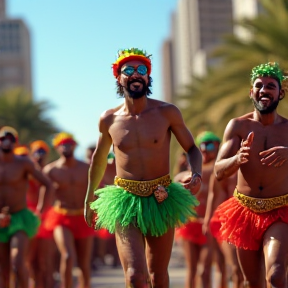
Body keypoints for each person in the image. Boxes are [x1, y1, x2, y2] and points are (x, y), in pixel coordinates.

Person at [84, 47, 202, 288]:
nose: (136, 74)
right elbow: (98, 159)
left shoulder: (167, 112)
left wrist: (196, 173)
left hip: (161, 197)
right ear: (119, 77)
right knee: (135, 276)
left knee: (158, 276)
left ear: (148, 77)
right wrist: (88, 200)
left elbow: (192, 148)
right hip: (124, 200)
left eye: (142, 70)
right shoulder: (109, 119)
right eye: (129, 69)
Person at [214, 62, 288, 288]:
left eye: (270, 86)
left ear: (281, 93)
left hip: (280, 212)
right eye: (259, 85)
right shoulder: (238, 126)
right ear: (251, 92)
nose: (264, 90)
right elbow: (218, 171)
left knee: (275, 275)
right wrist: (237, 158)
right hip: (244, 211)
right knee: (251, 282)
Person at [0, 126, 53, 288]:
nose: (6, 142)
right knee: (3, 270)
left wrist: (40, 209)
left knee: (17, 262)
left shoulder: (24, 163)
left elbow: (47, 184)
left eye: (10, 139)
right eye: (3, 139)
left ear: (15, 143)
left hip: (20, 218)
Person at [43, 132, 95, 288]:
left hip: (82, 216)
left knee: (84, 263)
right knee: (67, 256)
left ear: (75, 146)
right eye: (63, 144)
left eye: (69, 144)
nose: (66, 147)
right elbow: (40, 190)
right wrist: (40, 210)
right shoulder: (51, 170)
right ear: (57, 148)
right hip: (61, 217)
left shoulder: (86, 168)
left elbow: (99, 188)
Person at [175, 131, 225, 288]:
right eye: (202, 145)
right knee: (192, 269)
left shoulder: (219, 172)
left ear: (217, 147)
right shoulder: (189, 173)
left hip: (208, 225)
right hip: (189, 225)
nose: (205, 149)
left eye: (210, 145)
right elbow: (176, 186)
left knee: (205, 270)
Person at [25, 140, 55, 288]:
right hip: (29, 216)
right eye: (36, 151)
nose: (39, 155)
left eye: (42, 152)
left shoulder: (50, 171)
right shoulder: (27, 170)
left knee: (45, 261)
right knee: (30, 260)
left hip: (47, 217)